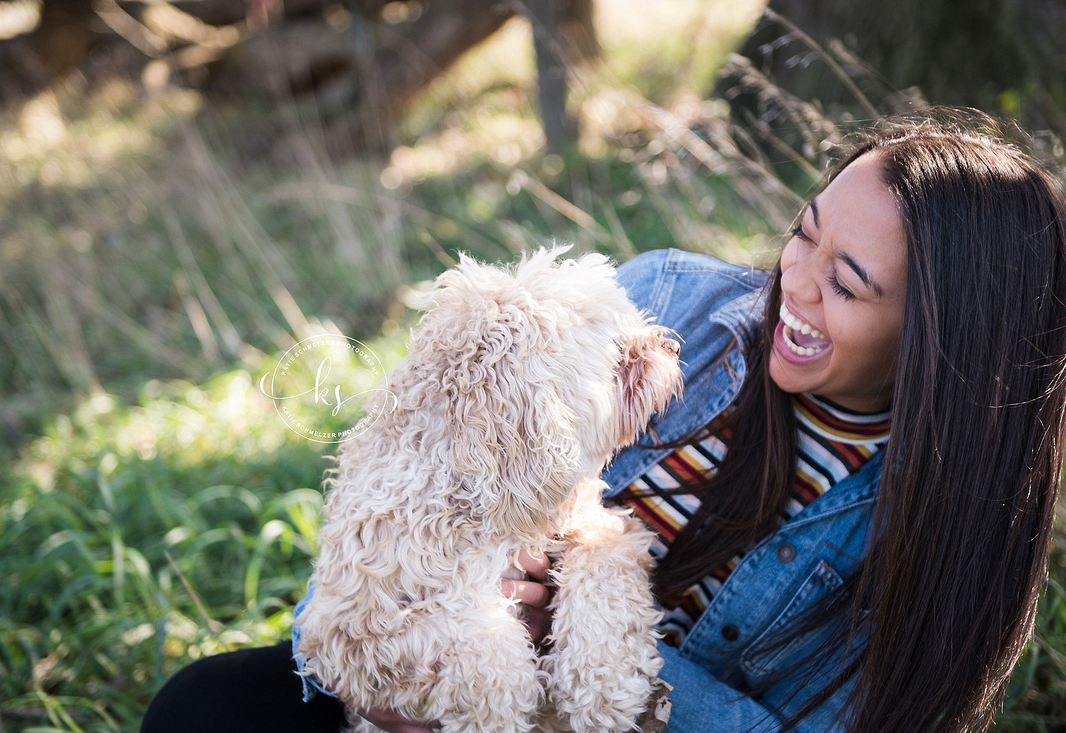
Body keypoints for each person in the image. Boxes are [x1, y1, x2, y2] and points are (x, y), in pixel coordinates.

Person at [141, 114, 1066, 732]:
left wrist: (611, 675)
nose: (796, 281)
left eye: (849, 281)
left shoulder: (936, 532)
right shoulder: (673, 302)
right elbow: (425, 460)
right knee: (203, 707)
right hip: (433, 667)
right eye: (803, 232)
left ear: (946, 339)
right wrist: (390, 654)